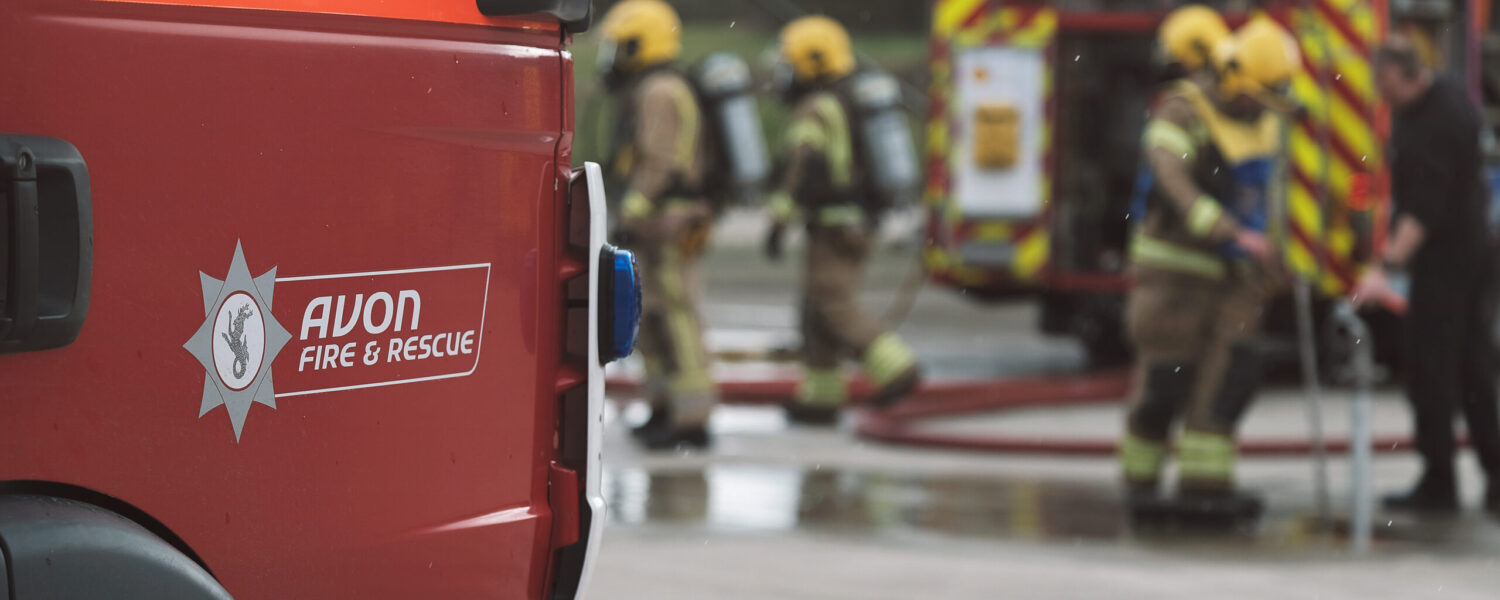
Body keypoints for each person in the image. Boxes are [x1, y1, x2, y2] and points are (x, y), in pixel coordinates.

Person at [1119, 13, 1299, 508]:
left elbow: (1269, 194)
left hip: (1237, 278)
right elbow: (1173, 183)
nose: (1258, 107)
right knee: (1165, 384)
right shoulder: (1182, 112)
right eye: (1254, 96)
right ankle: (1141, 487)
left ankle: (1205, 487)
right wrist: (1228, 231)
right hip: (1175, 273)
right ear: (1235, 78)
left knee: (1230, 380)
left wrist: (1276, 257)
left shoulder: (1259, 116)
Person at [1352, 37, 1500, 515]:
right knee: (1474, 368)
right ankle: (1495, 479)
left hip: (1447, 262)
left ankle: (1439, 483)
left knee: (1430, 370)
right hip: (1471, 254)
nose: (1380, 92)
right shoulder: (1446, 101)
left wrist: (1386, 268)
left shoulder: (1437, 121)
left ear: (1405, 73)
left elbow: (1423, 209)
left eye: (1384, 81)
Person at [764, 15, 922, 425]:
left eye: (791, 64)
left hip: (834, 225)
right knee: (815, 310)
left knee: (833, 305)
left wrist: (779, 219)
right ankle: (820, 399)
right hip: (853, 222)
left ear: (813, 62)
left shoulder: (817, 107)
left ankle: (898, 369)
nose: (786, 75)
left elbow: (803, 165)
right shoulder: (848, 99)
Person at [598, 0, 718, 450]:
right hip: (662, 224)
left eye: (620, 47)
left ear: (638, 43)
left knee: (678, 319)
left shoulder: (659, 91)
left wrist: (631, 212)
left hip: (668, 224)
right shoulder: (659, 86)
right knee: (653, 321)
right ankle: (666, 408)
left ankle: (692, 419)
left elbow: (659, 162)